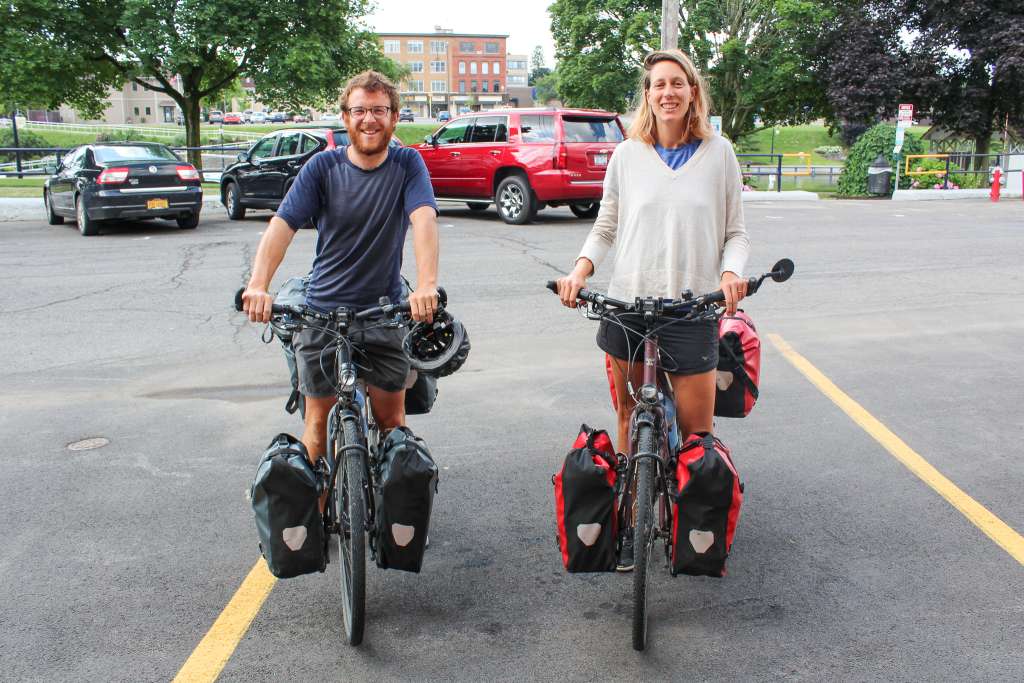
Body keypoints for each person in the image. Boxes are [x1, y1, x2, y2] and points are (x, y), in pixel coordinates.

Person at [555, 50, 750, 570]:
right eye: (658, 84)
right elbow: (605, 228)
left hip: (692, 311)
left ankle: (692, 531)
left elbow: (735, 233)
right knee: (627, 414)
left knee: (695, 435)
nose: (667, 92)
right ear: (647, 95)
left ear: (692, 92)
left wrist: (730, 274)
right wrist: (579, 271)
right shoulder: (626, 156)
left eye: (677, 83)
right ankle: (630, 517)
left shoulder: (719, 153)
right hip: (628, 308)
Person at [242, 70, 439, 469]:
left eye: (379, 110)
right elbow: (282, 225)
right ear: (346, 117)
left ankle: (391, 515)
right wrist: (259, 284)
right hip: (322, 311)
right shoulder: (322, 167)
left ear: (395, 116)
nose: (370, 119)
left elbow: (423, 220)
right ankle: (314, 527)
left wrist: (426, 286)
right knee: (316, 425)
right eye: (360, 110)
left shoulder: (407, 164)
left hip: (383, 311)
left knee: (391, 422)